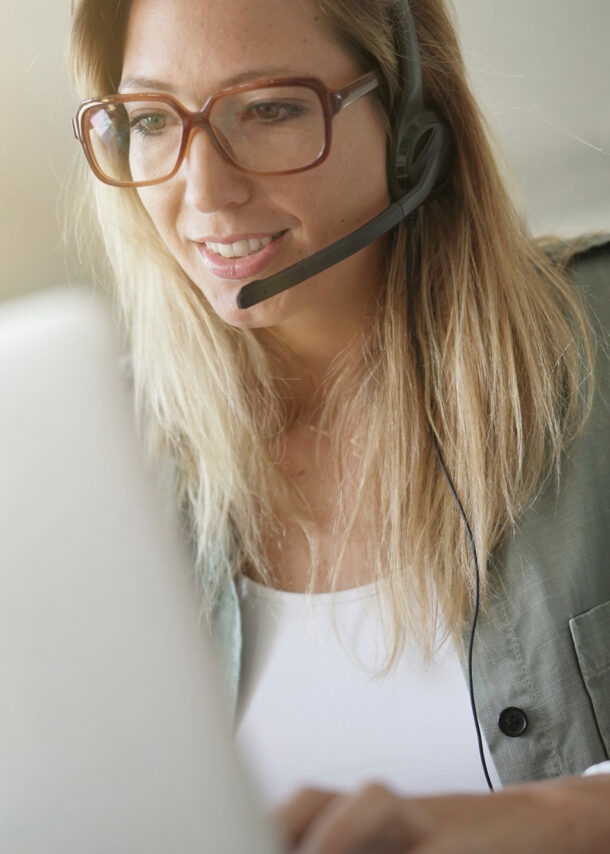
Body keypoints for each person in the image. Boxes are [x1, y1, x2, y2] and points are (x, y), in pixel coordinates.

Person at [69, 0, 610, 850]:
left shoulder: (598, 342)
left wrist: (562, 815)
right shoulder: (93, 463)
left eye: (273, 108)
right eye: (148, 120)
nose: (204, 189)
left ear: (410, 123)